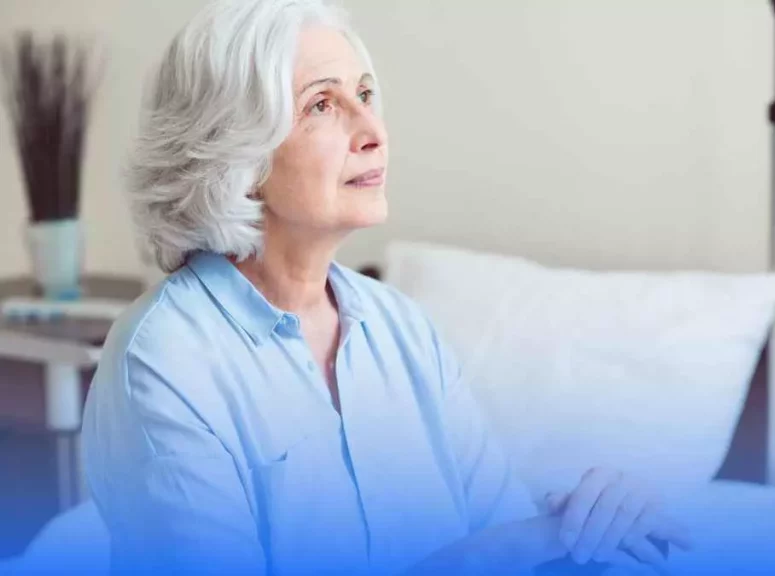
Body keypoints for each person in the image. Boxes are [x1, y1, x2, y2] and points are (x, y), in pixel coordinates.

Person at [82, 1, 688, 574]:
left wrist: (587, 530)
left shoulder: (401, 327)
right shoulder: (164, 360)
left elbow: (505, 535)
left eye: (366, 95)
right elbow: (493, 551)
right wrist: (500, 551)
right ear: (233, 155)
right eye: (322, 105)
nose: (372, 129)